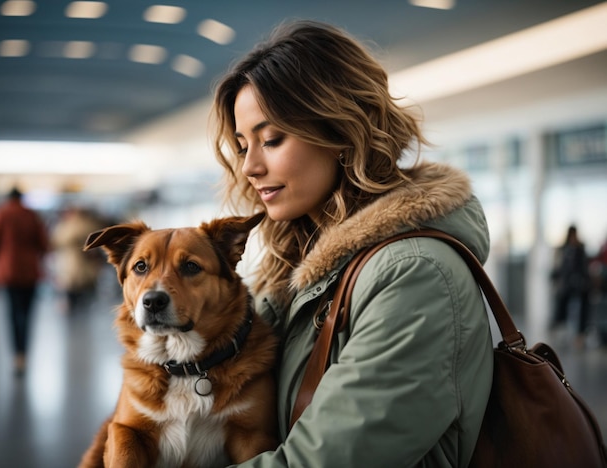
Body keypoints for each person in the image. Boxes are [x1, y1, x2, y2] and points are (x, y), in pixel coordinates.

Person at [210, 20, 493, 467]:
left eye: (271, 139)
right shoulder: (291, 268)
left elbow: (320, 461)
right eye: (244, 146)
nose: (250, 166)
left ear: (339, 132)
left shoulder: (415, 274)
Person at [0, 187, 49, 375]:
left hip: (8, 272)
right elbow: (44, 244)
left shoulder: (1, 214)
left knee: (13, 315)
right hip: (30, 271)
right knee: (27, 315)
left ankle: (17, 356)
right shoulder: (31, 215)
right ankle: (24, 355)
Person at [51, 206, 105, 312]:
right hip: (77, 263)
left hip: (76, 263)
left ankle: (75, 306)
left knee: (76, 288)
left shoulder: (67, 226)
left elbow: (56, 240)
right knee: (80, 289)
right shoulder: (88, 225)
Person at [551, 224, 591, 347]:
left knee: (584, 302)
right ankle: (559, 327)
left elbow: (584, 268)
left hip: (579, 284)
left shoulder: (580, 249)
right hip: (567, 285)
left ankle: (580, 334)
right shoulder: (564, 249)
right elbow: (560, 269)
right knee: (561, 300)